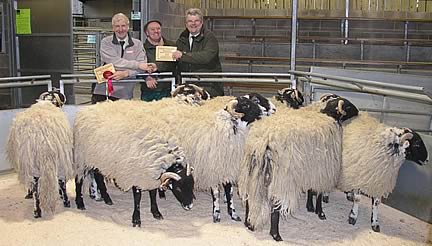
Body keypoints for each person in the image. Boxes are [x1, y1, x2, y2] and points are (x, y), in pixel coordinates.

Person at [92, 12, 157, 103]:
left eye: (123, 26)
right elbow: (114, 61)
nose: (121, 29)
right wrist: (138, 65)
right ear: (113, 28)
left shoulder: (137, 44)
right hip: (104, 91)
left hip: (125, 94)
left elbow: (143, 68)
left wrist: (127, 73)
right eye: (117, 26)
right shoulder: (105, 42)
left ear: (128, 26)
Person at [172, 8, 224, 97]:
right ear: (186, 23)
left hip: (208, 86)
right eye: (190, 21)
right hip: (187, 85)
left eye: (196, 21)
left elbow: (206, 57)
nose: (193, 24)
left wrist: (183, 55)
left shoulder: (209, 37)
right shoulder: (182, 38)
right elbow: (175, 60)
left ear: (201, 22)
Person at [141, 19, 176, 101]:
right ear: (147, 33)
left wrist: (157, 66)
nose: (156, 31)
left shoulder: (171, 46)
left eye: (158, 28)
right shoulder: (141, 48)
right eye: (152, 29)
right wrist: (146, 77)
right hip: (148, 91)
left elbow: (175, 65)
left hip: (169, 89)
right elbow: (138, 66)